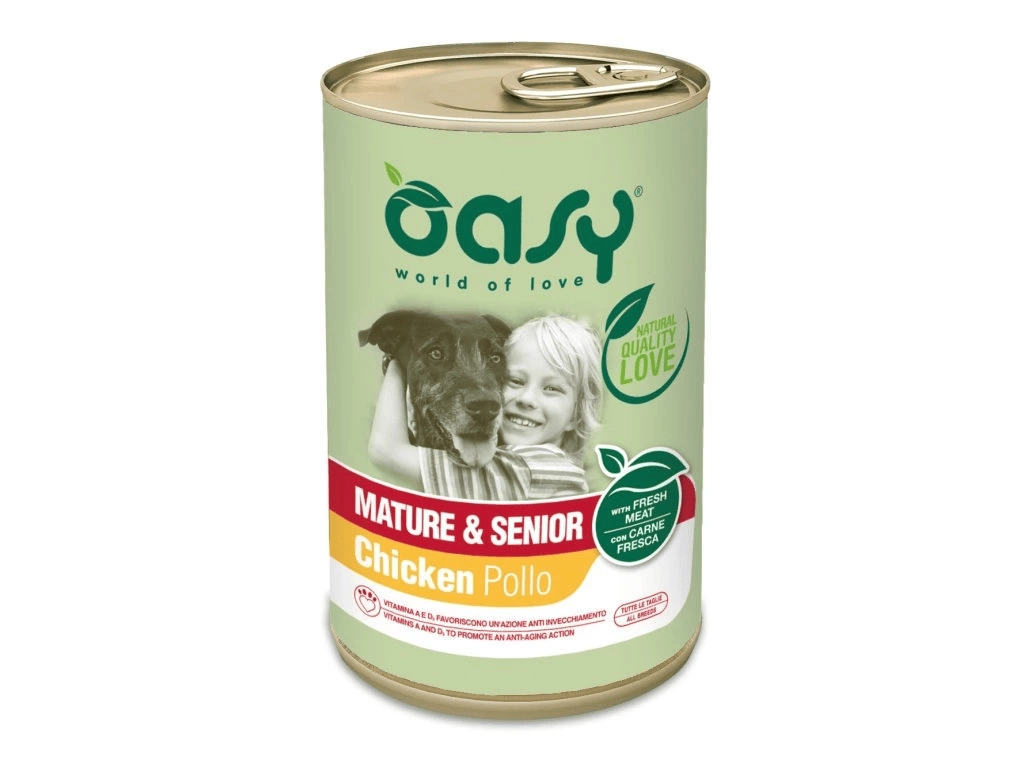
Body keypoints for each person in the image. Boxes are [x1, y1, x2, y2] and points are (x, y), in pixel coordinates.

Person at [368, 314, 602, 501]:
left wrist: (397, 361)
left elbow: (386, 451)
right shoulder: (541, 464)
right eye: (516, 381)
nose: (527, 399)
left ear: (576, 416)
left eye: (552, 388)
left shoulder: (537, 471)